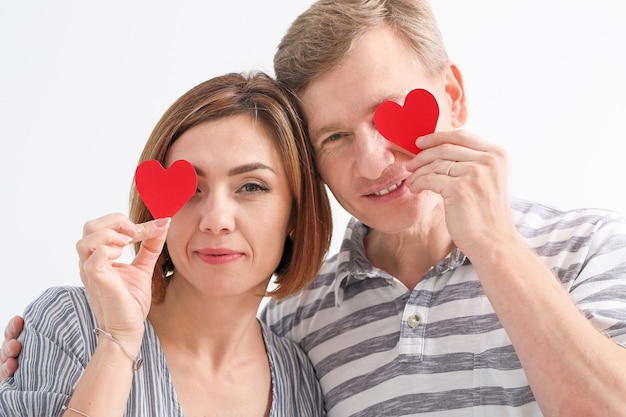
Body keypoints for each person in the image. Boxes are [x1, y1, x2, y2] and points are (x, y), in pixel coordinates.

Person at [4, 1, 626, 416]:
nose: (375, 161)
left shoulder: (591, 250)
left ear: (453, 95)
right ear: (312, 169)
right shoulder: (297, 326)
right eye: (334, 138)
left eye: (391, 114)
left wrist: (496, 248)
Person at [0, 72, 332, 416]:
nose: (216, 220)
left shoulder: (303, 380)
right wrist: (118, 341)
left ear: (296, 211)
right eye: (191, 187)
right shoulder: (72, 324)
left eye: (251, 187)